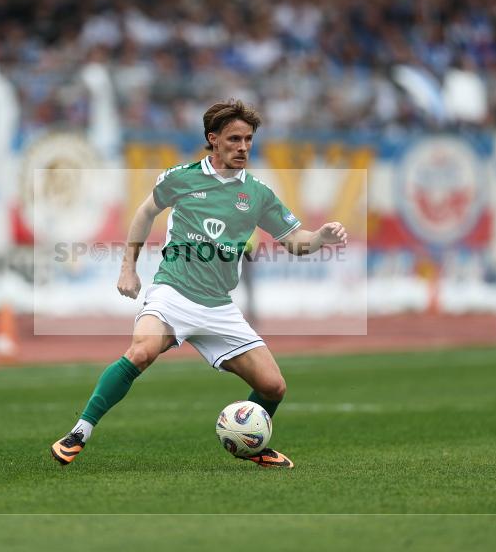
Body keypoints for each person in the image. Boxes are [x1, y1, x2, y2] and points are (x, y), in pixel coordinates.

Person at [50, 99, 347, 468]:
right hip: (172, 291)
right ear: (213, 139)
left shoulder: (257, 194)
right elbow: (144, 214)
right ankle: (79, 432)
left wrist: (320, 237)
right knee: (141, 351)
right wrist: (128, 267)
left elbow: (296, 241)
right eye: (234, 139)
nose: (243, 147)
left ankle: (251, 442)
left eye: (249, 139)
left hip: (218, 305)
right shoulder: (182, 178)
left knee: (274, 386)